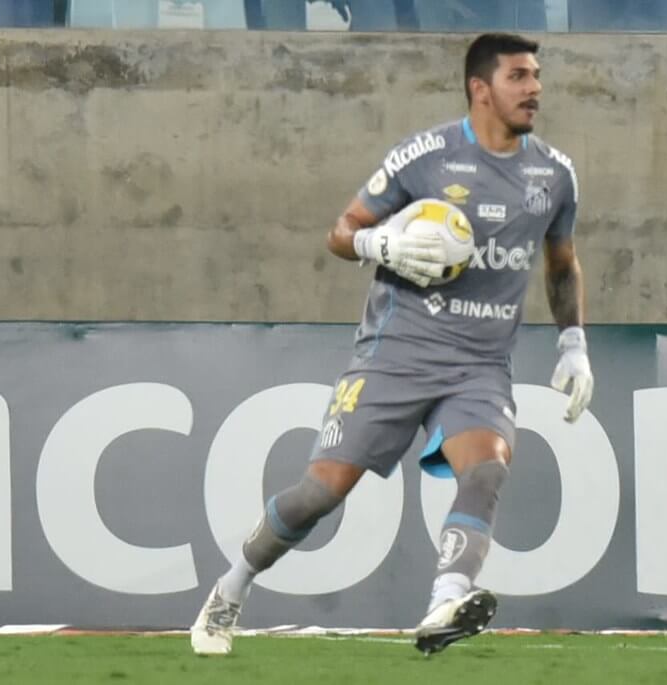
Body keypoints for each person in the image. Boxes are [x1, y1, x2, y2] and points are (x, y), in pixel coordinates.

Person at [191, 32, 594, 657]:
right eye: (519, 76)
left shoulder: (555, 173)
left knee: (486, 469)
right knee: (320, 493)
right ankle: (230, 589)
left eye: (537, 75)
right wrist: (381, 245)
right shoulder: (425, 157)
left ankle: (443, 605)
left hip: (480, 364)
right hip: (397, 353)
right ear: (480, 89)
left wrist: (574, 344)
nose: (535, 88)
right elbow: (341, 231)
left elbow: (562, 263)